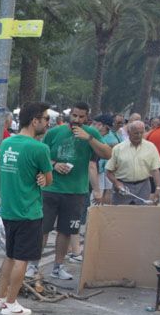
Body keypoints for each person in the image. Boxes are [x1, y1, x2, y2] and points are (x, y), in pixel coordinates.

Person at [38, 102, 111, 281]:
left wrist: (89, 139)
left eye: (81, 117)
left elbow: (107, 154)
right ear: (70, 114)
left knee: (66, 230)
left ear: (87, 118)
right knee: (42, 228)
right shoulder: (55, 132)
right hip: (51, 188)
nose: (76, 120)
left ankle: (58, 266)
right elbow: (42, 155)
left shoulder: (91, 133)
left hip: (76, 191)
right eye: (74, 116)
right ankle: (33, 265)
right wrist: (55, 165)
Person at [0, 102, 53, 315]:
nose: (48, 123)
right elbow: (48, 179)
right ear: (35, 120)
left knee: (10, 255)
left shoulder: (7, 143)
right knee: (22, 259)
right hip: (28, 210)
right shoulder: (40, 148)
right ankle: (11, 303)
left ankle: (0, 298)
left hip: (8, 209)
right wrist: (42, 177)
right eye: (45, 119)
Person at [105, 121, 160, 205]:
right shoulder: (118, 148)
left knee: (140, 215)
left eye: (141, 133)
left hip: (143, 187)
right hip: (123, 187)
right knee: (120, 214)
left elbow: (155, 170)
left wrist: (158, 187)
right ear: (128, 133)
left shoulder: (151, 147)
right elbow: (109, 171)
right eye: (136, 133)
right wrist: (116, 183)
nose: (139, 135)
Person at [91, 114, 119, 206]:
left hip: (103, 169)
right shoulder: (96, 135)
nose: (93, 126)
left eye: (97, 124)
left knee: (104, 192)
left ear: (105, 126)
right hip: (99, 169)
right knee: (100, 192)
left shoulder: (112, 138)